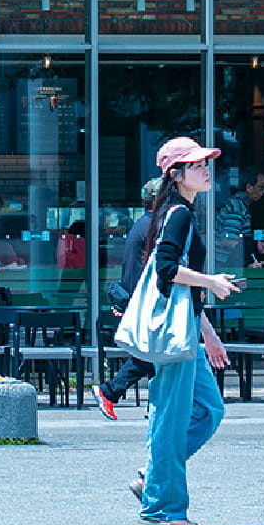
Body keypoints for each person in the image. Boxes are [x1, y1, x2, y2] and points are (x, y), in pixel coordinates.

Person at [131, 137, 235, 525]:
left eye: (205, 163)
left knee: (208, 410)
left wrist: (206, 330)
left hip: (186, 329)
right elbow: (167, 270)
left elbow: (177, 281)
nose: (206, 169)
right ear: (176, 174)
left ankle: (151, 477)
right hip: (176, 334)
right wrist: (211, 281)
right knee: (171, 420)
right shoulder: (180, 214)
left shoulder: (177, 211)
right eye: (196, 165)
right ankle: (161, 509)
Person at [98, 177, 163, 421]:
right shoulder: (152, 227)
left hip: (138, 300)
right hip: (145, 301)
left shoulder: (142, 224)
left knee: (155, 354)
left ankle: (153, 404)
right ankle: (110, 391)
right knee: (152, 355)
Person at [215, 167, 264, 271]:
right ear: (249, 187)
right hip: (224, 265)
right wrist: (254, 243)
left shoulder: (240, 204)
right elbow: (228, 240)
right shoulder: (237, 208)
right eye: (261, 187)